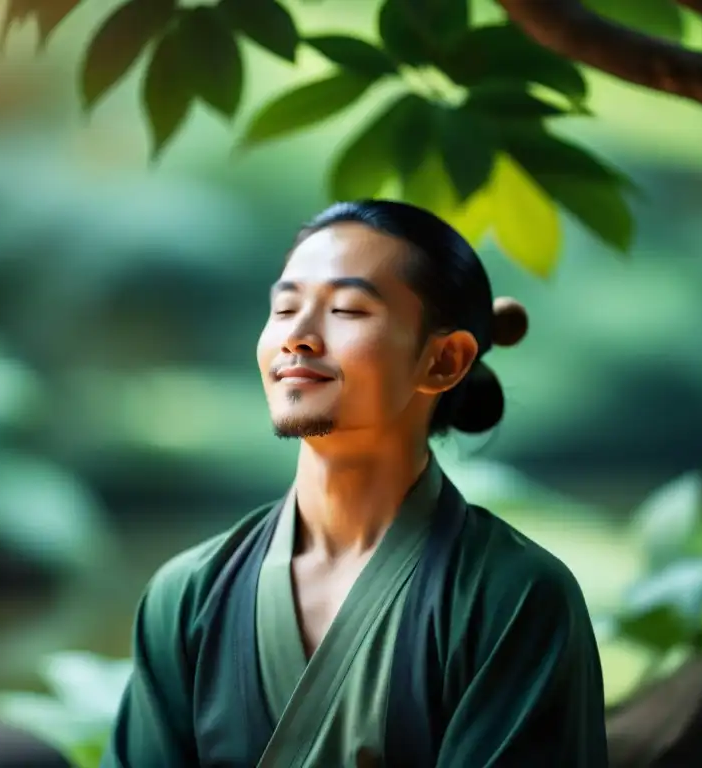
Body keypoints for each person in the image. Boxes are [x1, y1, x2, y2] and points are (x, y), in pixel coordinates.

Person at [100, 200, 608, 768]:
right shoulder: (189, 593)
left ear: (443, 360)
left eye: (346, 309)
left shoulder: (511, 597)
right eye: (285, 307)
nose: (299, 336)